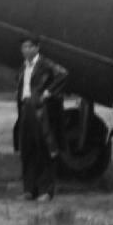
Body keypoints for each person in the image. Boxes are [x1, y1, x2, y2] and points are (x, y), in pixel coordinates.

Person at [14, 36, 68, 202]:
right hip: (25, 109)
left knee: (44, 149)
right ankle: (29, 190)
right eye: (24, 47)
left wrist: (48, 93)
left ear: (37, 48)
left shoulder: (45, 64)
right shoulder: (23, 66)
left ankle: (46, 191)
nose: (26, 50)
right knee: (27, 150)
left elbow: (63, 73)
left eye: (30, 47)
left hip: (40, 110)